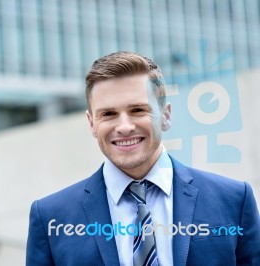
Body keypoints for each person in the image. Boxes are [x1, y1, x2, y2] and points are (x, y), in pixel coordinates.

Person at [26, 51, 260, 266]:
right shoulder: (49, 218)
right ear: (91, 124)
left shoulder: (234, 201)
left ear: (165, 116)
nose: (125, 126)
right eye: (108, 114)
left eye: (138, 110)